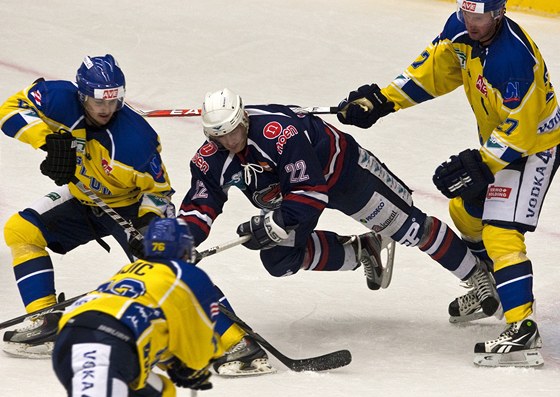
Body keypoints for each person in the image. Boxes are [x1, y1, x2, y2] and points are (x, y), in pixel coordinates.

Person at [178, 88, 500, 368]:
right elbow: (199, 205)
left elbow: (310, 193)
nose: (229, 142)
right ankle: (363, 251)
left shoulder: (279, 132)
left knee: (413, 229)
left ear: (244, 118)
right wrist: (181, 240)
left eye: (233, 131)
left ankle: (479, 277)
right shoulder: (211, 159)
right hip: (294, 196)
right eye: (219, 136)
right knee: (279, 260)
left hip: (344, 174)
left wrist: (273, 223)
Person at [336, 0, 558, 367]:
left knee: (500, 231)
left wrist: (481, 165)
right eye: (466, 13)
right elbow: (435, 71)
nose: (471, 22)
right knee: (466, 213)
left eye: (480, 16)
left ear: (499, 13)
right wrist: (382, 101)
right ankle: (497, 288)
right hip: (503, 145)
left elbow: (523, 131)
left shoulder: (514, 60)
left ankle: (522, 329)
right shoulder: (459, 30)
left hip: (535, 147)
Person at [0, 54, 174, 358]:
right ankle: (45, 318)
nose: (107, 109)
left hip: (129, 206)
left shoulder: (135, 141)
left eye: (113, 100)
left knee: (161, 265)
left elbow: (160, 192)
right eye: (98, 102)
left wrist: (149, 224)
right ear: (81, 96)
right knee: (21, 231)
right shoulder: (57, 98)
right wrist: (48, 141)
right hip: (83, 198)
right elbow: (8, 111)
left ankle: (212, 334)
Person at [52, 217, 224, 396]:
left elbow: (150, 327)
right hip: (104, 345)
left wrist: (172, 362)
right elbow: (199, 346)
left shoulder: (130, 270)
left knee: (163, 391)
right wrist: (192, 367)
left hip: (71, 339)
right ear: (186, 249)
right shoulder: (186, 274)